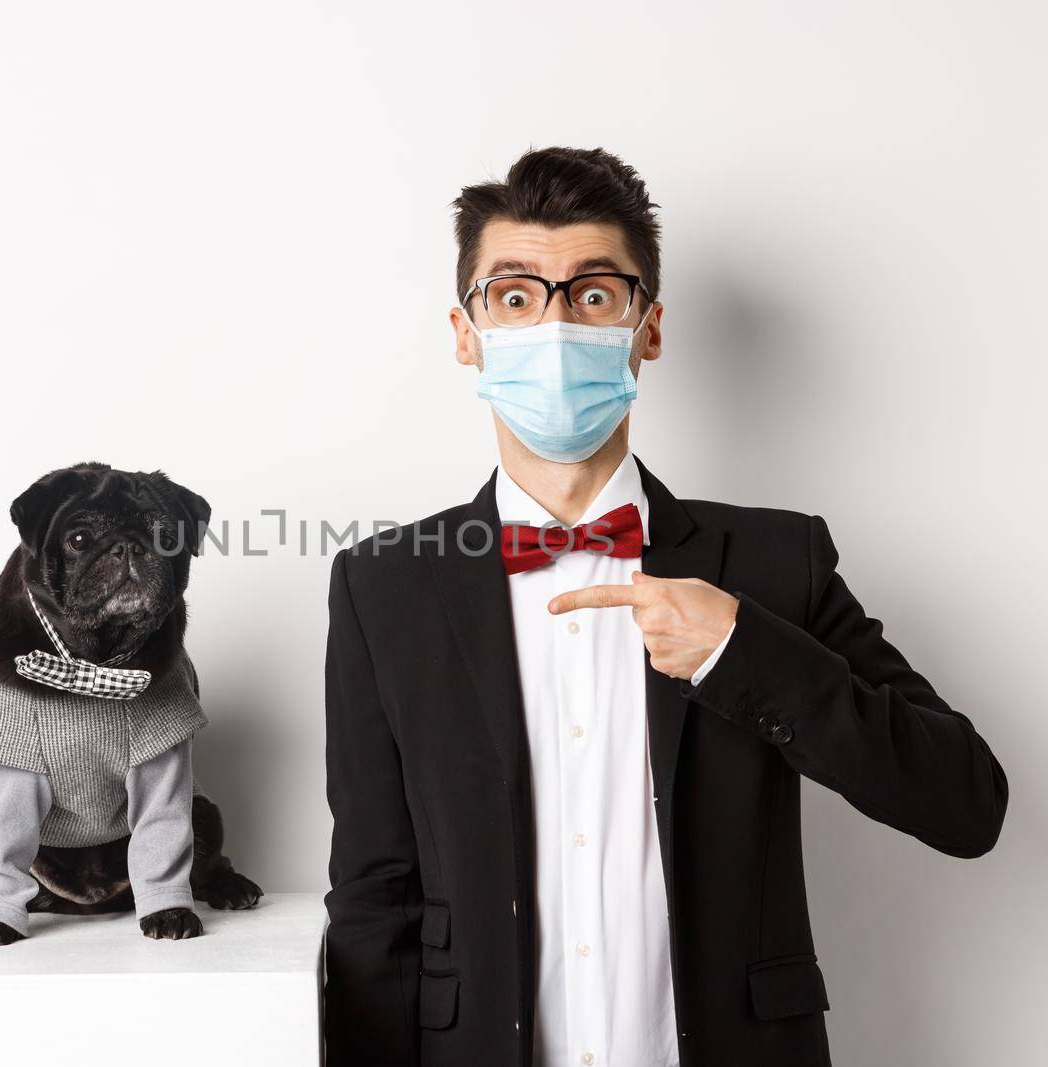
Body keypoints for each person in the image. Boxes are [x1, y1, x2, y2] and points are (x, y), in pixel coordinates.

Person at [320, 146, 1007, 1067]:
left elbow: (966, 803)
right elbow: (373, 898)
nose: (555, 324)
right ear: (466, 332)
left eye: (594, 294)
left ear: (648, 328)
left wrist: (743, 653)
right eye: (516, 297)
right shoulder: (385, 585)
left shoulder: (772, 562)